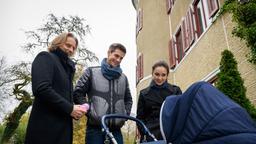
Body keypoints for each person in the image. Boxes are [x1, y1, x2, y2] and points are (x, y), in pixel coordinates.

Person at [25, 32, 86, 144]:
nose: (71, 50)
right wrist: (70, 108)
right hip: (44, 130)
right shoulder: (45, 57)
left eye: (74, 48)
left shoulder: (68, 69)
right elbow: (42, 88)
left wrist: (75, 109)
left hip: (63, 131)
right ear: (57, 43)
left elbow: (64, 97)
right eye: (68, 45)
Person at [73, 43, 133, 144]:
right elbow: (78, 93)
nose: (118, 60)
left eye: (121, 58)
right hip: (95, 130)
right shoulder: (91, 72)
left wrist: (125, 114)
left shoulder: (123, 78)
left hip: (116, 131)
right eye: (116, 56)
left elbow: (128, 99)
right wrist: (89, 110)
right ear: (109, 52)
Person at [136, 60, 182, 142]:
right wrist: (146, 132)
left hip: (171, 133)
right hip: (151, 133)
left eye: (163, 75)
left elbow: (180, 113)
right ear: (152, 74)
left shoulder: (176, 91)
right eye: (157, 74)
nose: (160, 78)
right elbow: (140, 118)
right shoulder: (144, 93)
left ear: (167, 75)